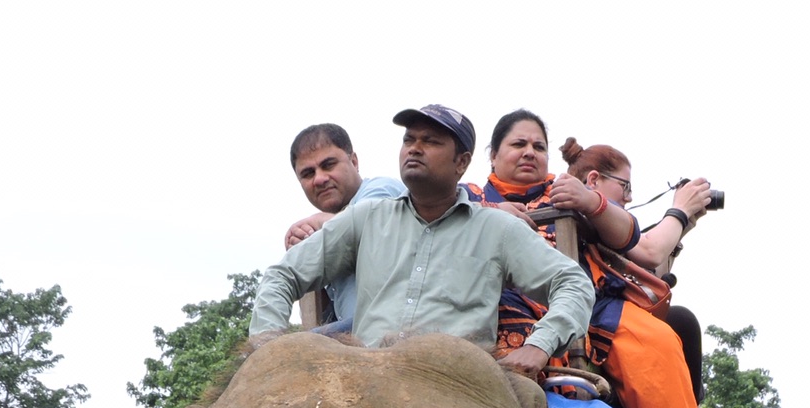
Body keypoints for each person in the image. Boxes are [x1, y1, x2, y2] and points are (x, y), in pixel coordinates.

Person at [469, 114, 731, 408]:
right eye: (518, 144)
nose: (529, 153)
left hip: (582, 308)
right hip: (496, 307)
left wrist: (591, 202)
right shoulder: (470, 196)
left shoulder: (565, 190)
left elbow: (635, 241)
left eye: (538, 147)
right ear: (492, 155)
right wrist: (488, 215)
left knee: (659, 338)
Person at [250, 105, 593, 380]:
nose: (414, 148)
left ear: (462, 162)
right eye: (409, 139)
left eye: (430, 141)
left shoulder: (496, 228)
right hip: (363, 378)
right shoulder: (366, 218)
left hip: (457, 385)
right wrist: (266, 351)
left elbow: (573, 283)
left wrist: (539, 345)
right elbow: (283, 276)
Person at [281, 123, 406, 328]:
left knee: (291, 350)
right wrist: (304, 247)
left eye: (328, 165)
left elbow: (372, 229)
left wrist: (318, 223)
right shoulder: (326, 226)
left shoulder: (382, 190)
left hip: (394, 330)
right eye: (308, 173)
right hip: (356, 337)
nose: (319, 179)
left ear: (354, 162)